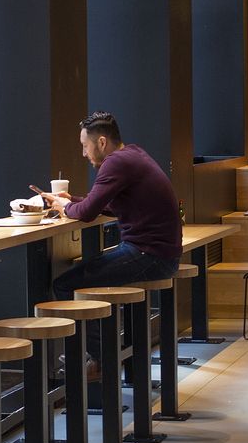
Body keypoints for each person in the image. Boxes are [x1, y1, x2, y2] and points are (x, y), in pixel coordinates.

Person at [34, 112, 181, 376]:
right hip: (160, 252)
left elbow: (89, 212)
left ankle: (103, 361)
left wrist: (67, 206)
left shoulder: (116, 163)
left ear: (101, 142)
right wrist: (74, 200)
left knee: (65, 284)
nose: (83, 153)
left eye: (85, 145)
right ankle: (106, 357)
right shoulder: (133, 155)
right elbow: (109, 205)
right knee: (85, 279)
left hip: (151, 254)